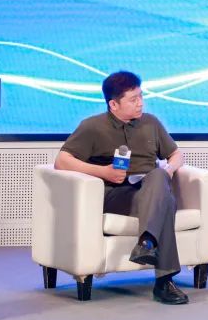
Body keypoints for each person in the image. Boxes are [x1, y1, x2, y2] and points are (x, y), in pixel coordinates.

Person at [55, 71, 188, 304]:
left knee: (160, 182)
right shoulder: (93, 126)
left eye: (141, 97)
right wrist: (103, 172)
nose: (141, 103)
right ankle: (163, 282)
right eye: (133, 99)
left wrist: (168, 170)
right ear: (113, 104)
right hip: (117, 196)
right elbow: (62, 161)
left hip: (150, 191)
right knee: (165, 202)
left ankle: (147, 244)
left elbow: (176, 154)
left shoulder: (151, 123)